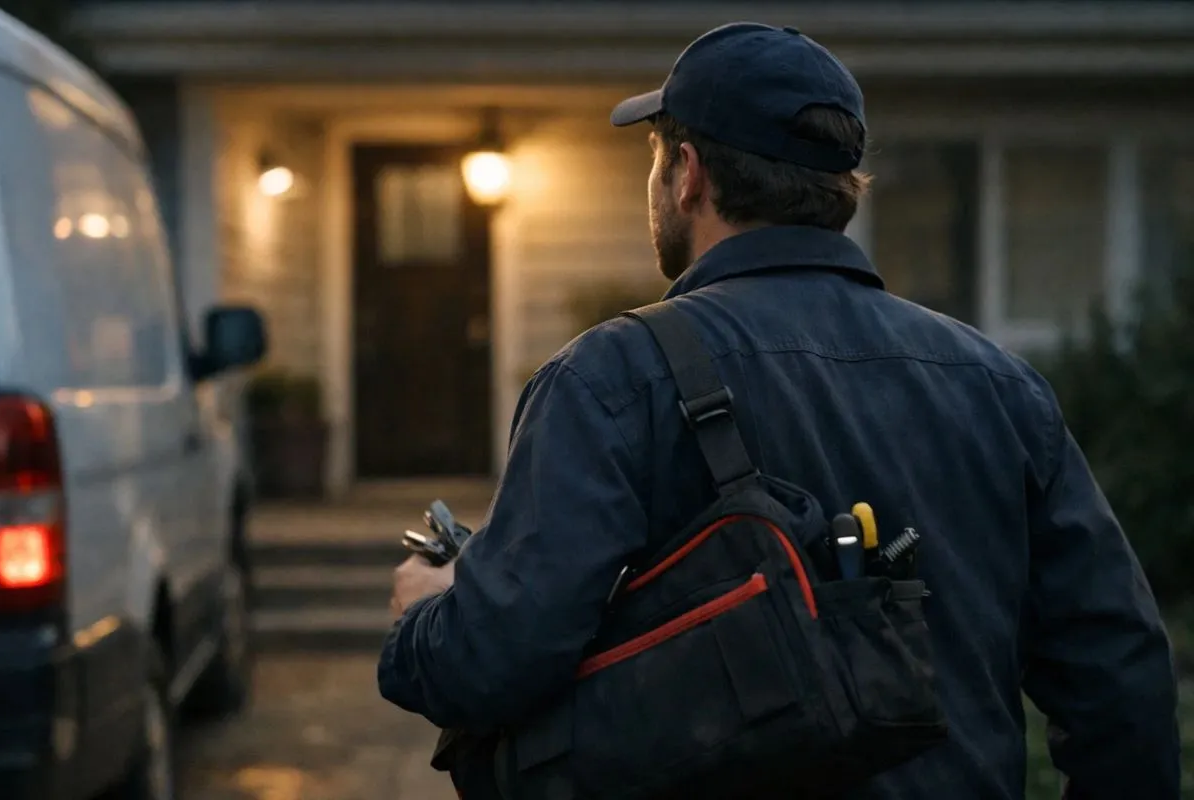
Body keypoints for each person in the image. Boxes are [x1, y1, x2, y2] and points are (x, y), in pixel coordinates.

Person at [378, 21, 1180, 798]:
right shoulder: (1001, 387)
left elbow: (487, 666)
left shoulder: (610, 379)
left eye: (656, 156)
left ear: (687, 173)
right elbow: (1121, 681)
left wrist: (433, 611)